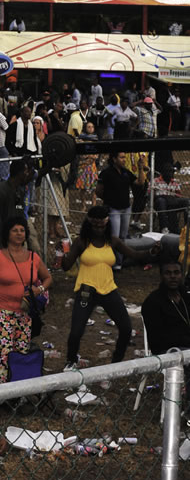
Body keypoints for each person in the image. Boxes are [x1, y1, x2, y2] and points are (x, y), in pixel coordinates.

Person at [62, 205, 160, 370]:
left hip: (108, 289)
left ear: (107, 224)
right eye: (95, 226)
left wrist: (151, 252)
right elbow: (66, 266)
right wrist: (62, 254)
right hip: (86, 289)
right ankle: (71, 361)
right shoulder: (82, 242)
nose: (99, 229)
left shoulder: (113, 241)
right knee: (76, 332)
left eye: (102, 226)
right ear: (89, 224)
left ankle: (116, 363)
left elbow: (135, 255)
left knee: (126, 328)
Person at [0, 215, 52, 384]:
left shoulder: (33, 258)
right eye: (14, 230)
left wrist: (38, 290)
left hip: (25, 312)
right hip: (1, 311)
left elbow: (48, 278)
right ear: (7, 234)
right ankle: (3, 391)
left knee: (22, 351)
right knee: (2, 352)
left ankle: (18, 388)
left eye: (22, 230)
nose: (19, 233)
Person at [0, 157, 33, 268]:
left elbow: (20, 214)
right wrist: (1, 246)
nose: (27, 174)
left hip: (10, 243)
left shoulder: (19, 191)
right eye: (26, 171)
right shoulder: (1, 192)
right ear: (19, 173)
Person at [97, 151, 146, 268]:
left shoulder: (126, 172)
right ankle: (111, 261)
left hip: (126, 208)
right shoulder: (106, 173)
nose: (124, 160)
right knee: (114, 237)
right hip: (113, 209)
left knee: (123, 236)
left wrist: (140, 168)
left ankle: (119, 262)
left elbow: (140, 182)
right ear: (114, 159)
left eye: (125, 157)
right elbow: (98, 191)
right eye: (122, 157)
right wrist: (108, 199)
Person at [142, 261, 190, 361]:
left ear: (182, 275)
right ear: (161, 276)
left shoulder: (186, 297)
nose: (173, 276)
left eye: (176, 272)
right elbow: (157, 341)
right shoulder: (152, 302)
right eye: (168, 273)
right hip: (169, 351)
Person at [149, 163, 190, 234]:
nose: (170, 174)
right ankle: (164, 228)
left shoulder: (174, 183)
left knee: (187, 201)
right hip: (159, 204)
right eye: (168, 171)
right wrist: (165, 197)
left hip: (172, 203)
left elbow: (178, 196)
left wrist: (173, 198)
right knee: (161, 201)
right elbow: (150, 194)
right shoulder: (155, 181)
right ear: (163, 173)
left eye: (171, 172)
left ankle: (188, 228)